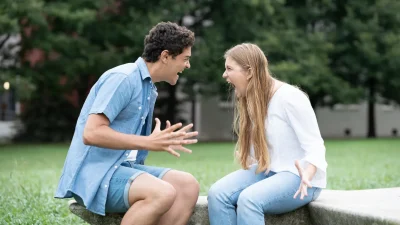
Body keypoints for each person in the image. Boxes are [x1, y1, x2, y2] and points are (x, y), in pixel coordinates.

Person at [55, 22, 200, 225]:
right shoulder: (123, 79)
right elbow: (91, 133)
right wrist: (147, 142)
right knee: (162, 192)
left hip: (123, 168)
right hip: (97, 174)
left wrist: (155, 141)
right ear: (165, 56)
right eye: (185, 59)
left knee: (187, 185)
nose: (187, 65)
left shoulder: (149, 88)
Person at [207, 43, 328, 225]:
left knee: (249, 200)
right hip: (268, 171)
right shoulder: (253, 98)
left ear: (249, 72)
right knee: (217, 194)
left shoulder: (290, 98)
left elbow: (315, 145)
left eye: (229, 69)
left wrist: (308, 174)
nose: (224, 75)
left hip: (299, 177)